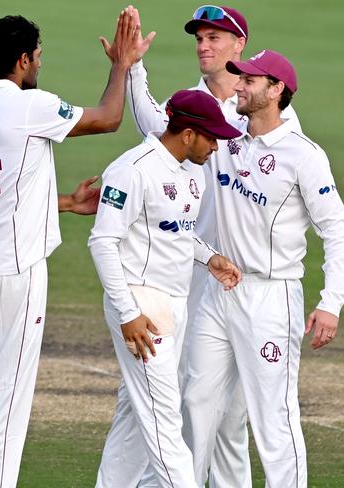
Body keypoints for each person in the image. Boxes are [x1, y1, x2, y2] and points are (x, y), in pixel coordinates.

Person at [0, 8, 150, 488]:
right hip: (18, 271)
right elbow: (109, 118)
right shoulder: (28, 105)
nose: (40, 65)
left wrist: (60, 203)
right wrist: (121, 64)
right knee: (7, 399)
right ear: (21, 60)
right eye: (37, 57)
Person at [98, 6, 299, 487]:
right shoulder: (185, 107)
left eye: (215, 37)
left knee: (222, 413)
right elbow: (153, 127)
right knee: (171, 399)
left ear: (239, 46)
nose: (204, 45)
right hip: (181, 275)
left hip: (240, 276)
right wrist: (131, 65)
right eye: (199, 38)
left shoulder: (262, 107)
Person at [182, 49, 344, 487]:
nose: (238, 85)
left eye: (250, 80)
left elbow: (336, 228)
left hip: (271, 299)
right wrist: (131, 67)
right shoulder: (225, 135)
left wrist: (330, 303)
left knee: (273, 419)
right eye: (240, 77)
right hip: (217, 292)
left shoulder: (303, 155)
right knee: (195, 402)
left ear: (276, 91)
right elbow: (165, 124)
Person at [89, 88, 242, 488]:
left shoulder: (193, 173)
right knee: (163, 420)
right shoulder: (132, 169)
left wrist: (210, 258)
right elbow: (102, 242)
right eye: (211, 137)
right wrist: (128, 313)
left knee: (133, 417)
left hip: (174, 301)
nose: (217, 146)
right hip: (141, 304)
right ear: (188, 134)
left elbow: (176, 231)